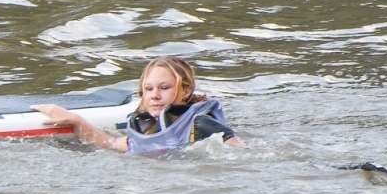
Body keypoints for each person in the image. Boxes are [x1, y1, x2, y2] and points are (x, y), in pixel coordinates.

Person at [32, 56, 242, 154]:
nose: (155, 96)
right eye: (149, 89)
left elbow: (246, 155)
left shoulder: (202, 125)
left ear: (186, 90)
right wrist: (75, 120)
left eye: (164, 88)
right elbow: (109, 143)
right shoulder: (146, 128)